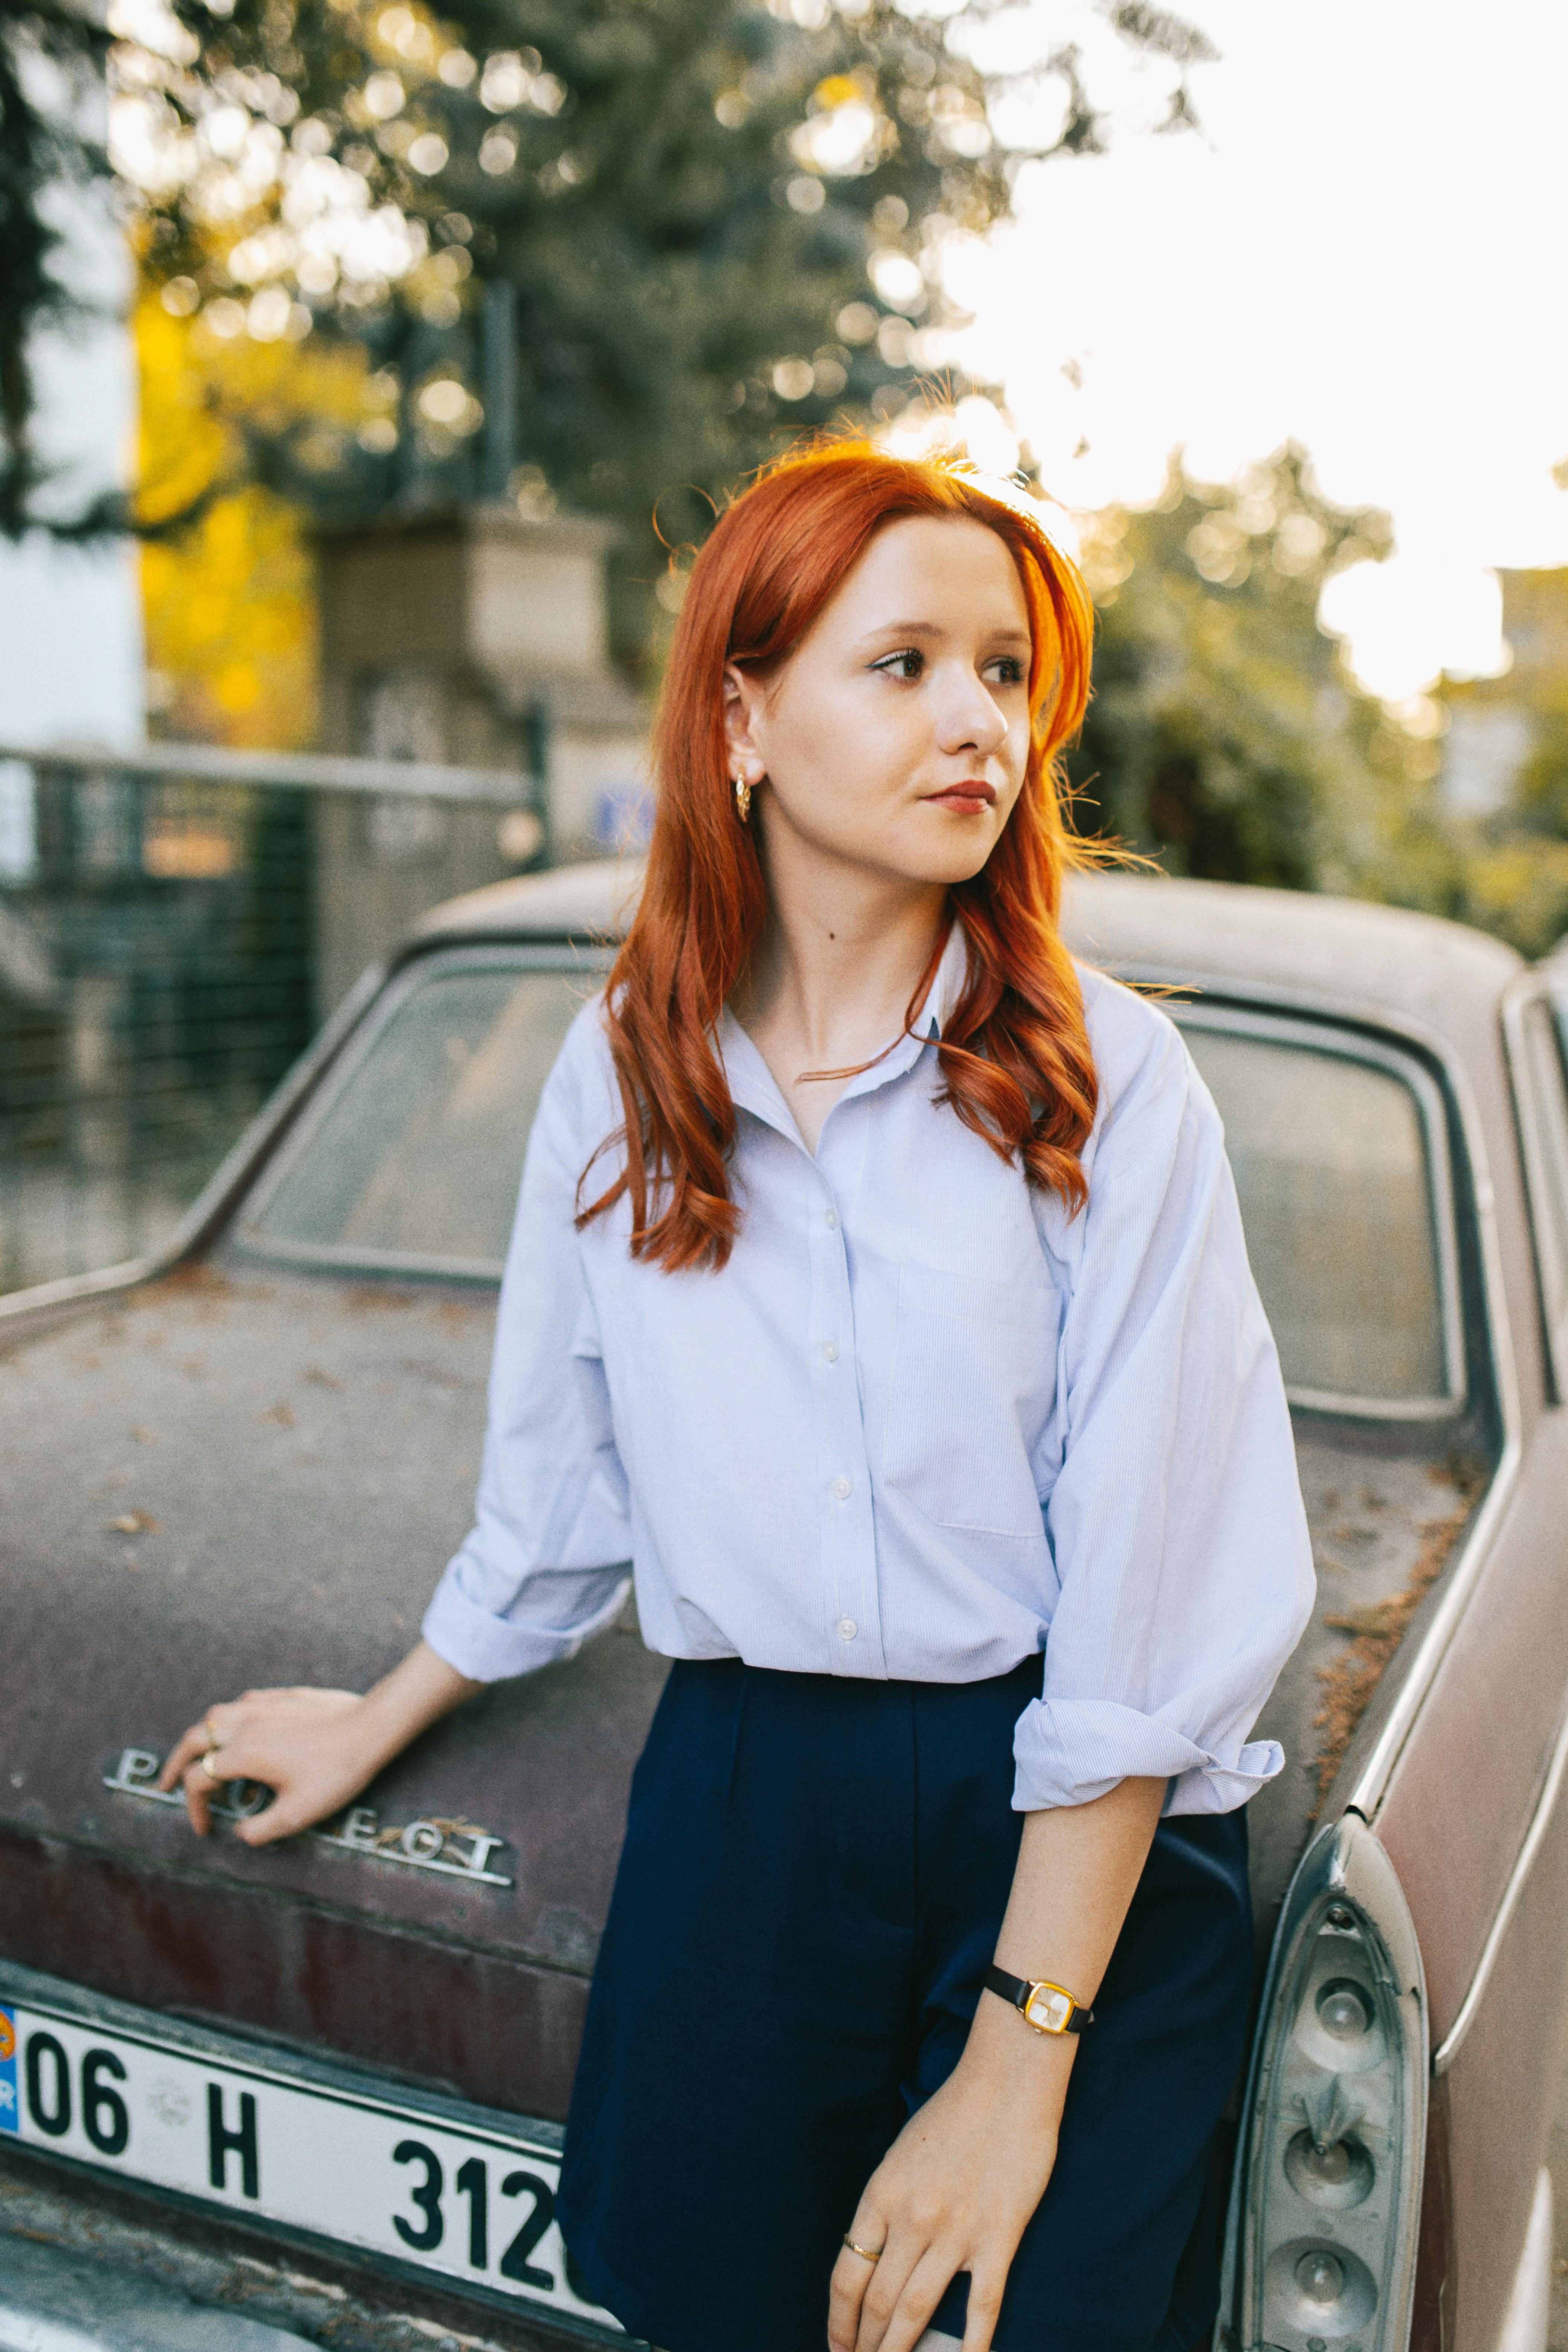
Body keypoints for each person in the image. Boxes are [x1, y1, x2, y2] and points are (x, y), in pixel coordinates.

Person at [161, 440, 1315, 2352]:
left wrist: (1013, 2067)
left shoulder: (1111, 1085)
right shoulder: (615, 1074)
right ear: (741, 716)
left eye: (1005, 673)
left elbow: (1149, 1602)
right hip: (744, 1806)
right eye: (906, 663)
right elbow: (557, 1496)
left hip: (1056, 1814)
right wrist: (382, 1713)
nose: (978, 721)